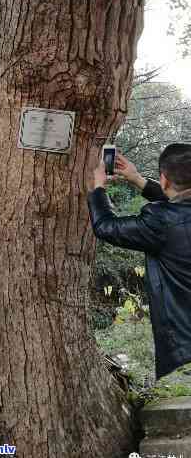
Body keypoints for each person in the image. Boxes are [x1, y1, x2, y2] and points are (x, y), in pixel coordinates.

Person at [87, 143, 191, 380]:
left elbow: (106, 227)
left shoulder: (159, 222)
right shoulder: (166, 218)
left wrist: (98, 188)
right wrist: (138, 180)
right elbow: (180, 205)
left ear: (164, 179)